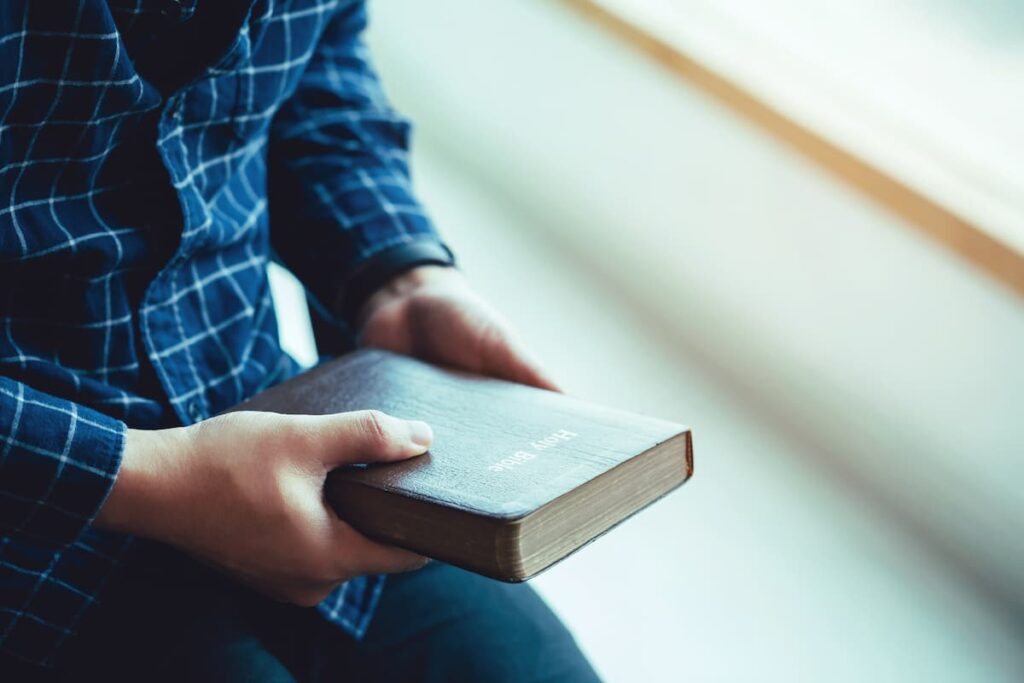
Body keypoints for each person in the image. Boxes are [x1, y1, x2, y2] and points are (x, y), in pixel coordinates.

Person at [0, 2, 600, 680]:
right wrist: (150, 476)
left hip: (269, 413)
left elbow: (315, 70)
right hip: (32, 548)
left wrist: (397, 274)